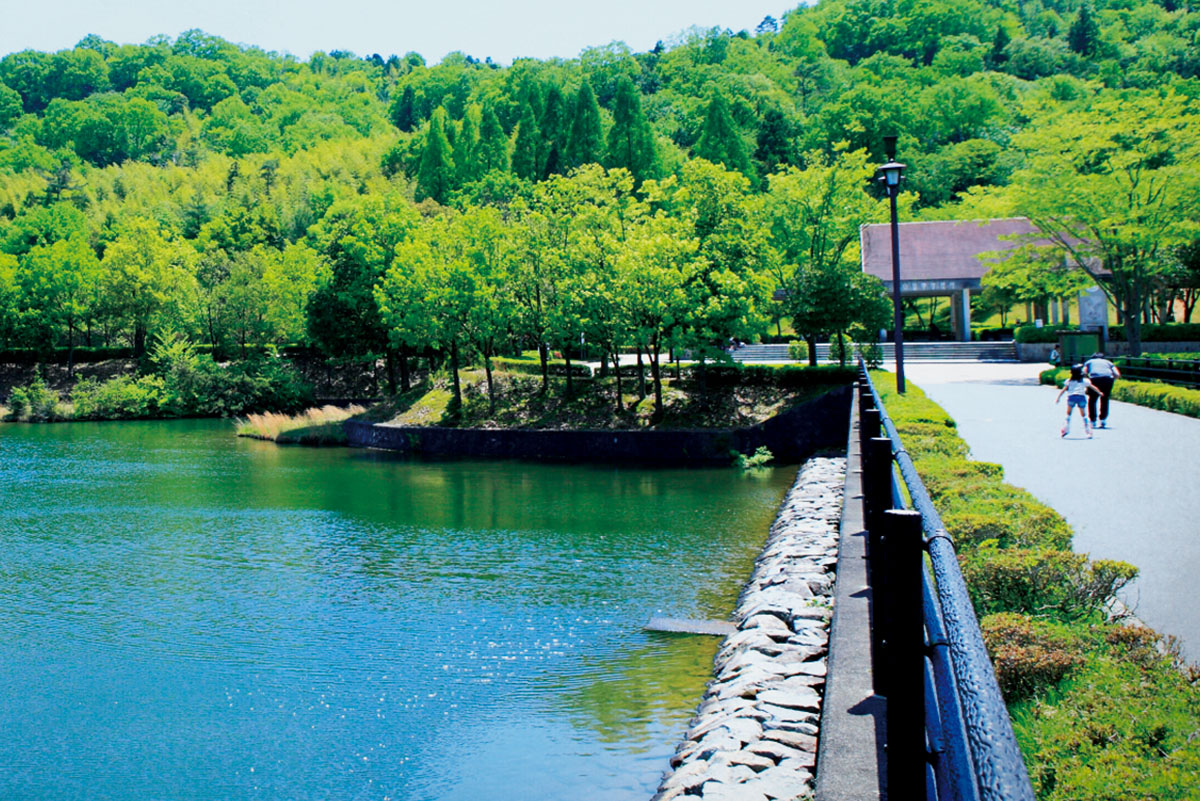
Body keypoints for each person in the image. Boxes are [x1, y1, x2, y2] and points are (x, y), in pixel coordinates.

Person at [1057, 364, 1104, 439]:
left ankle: (1065, 429)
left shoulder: (1069, 381)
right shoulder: (1084, 381)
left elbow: (1064, 389)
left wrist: (1058, 397)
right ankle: (1088, 432)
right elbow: (1093, 387)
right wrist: (1099, 392)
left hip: (1071, 397)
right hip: (1081, 397)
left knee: (1068, 414)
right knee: (1084, 415)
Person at [1082, 352, 1121, 428]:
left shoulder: (1089, 362)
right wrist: (1112, 380)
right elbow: (1117, 374)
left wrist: (1086, 380)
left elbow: (1084, 371)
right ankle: (1103, 419)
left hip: (1094, 379)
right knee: (1105, 399)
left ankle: (1093, 421)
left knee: (1092, 399)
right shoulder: (1108, 362)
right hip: (1108, 379)